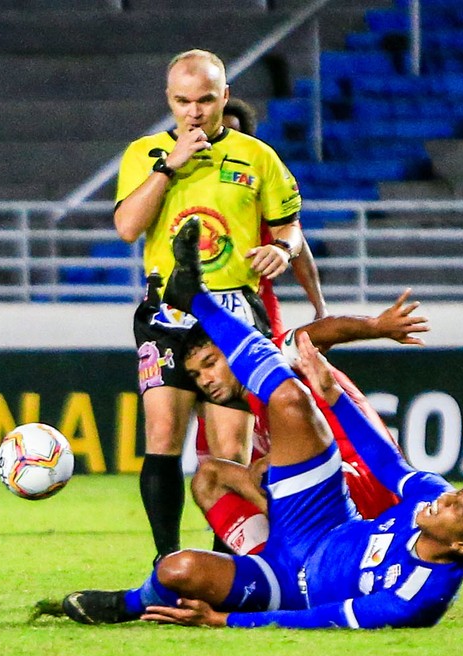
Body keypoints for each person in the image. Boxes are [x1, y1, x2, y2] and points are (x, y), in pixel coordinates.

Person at [39, 218, 463, 629]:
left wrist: (226, 621)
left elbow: (325, 619)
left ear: (462, 544)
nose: (445, 498)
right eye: (457, 494)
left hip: (287, 585)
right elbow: (388, 462)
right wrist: (333, 396)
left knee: (177, 568)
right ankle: (195, 298)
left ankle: (131, 603)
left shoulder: (421, 596)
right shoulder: (430, 497)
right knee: (289, 399)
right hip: (327, 517)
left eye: (456, 507)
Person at [114, 49, 319, 561]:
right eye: (183, 101)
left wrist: (282, 248)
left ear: (224, 97)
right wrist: (169, 167)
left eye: (206, 99)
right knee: (162, 433)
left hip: (235, 315)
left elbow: (291, 226)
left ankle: (222, 563)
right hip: (167, 311)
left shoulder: (257, 157)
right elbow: (126, 228)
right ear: (170, 101)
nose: (195, 111)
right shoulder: (144, 153)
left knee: (230, 450)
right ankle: (166, 561)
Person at [188, 289, 429, 555]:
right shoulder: (258, 405)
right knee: (211, 476)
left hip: (360, 482)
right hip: (349, 493)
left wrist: (376, 326)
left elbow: (321, 331)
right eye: (196, 375)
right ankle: (271, 572)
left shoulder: (272, 358)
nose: (205, 380)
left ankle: (280, 566)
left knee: (260, 474)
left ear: (233, 352)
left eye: (210, 363)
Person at [222, 97, 327, 335]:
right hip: (200, 303)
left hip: (254, 300)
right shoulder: (189, 182)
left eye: (234, 134)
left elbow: (296, 243)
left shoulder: (259, 184)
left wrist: (320, 306)